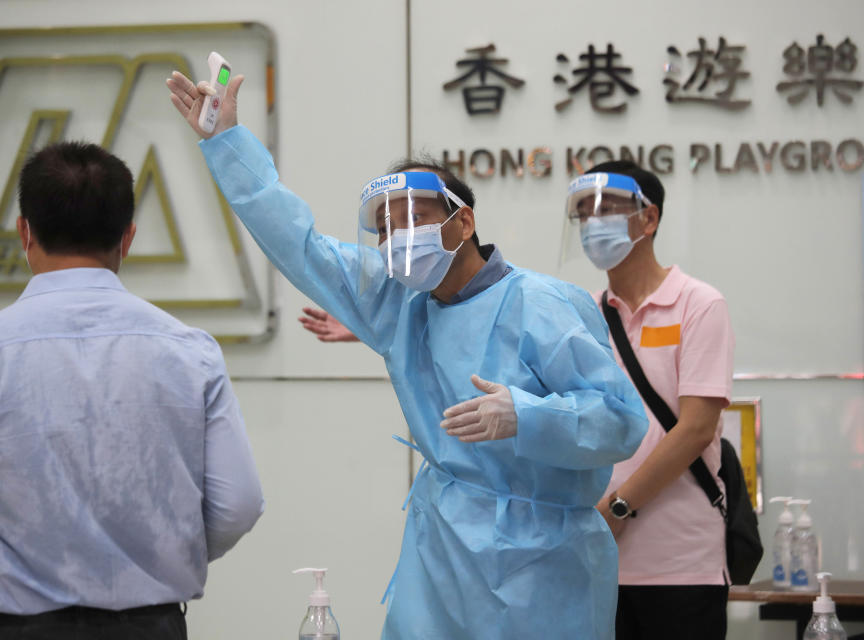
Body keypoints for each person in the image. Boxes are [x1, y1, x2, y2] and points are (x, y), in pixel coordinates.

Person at [166, 69, 647, 639]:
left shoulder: (543, 305)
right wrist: (227, 140)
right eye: (387, 227)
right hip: (440, 556)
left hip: (543, 569)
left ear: (463, 220)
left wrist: (527, 415)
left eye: (414, 218)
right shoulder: (400, 304)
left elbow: (621, 423)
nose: (399, 238)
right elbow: (300, 245)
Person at [0, 141, 264, 640]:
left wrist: (9, 553)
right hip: (152, 626)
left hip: (20, 628)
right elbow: (238, 504)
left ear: (23, 232)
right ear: (128, 236)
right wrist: (163, 549)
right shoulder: (191, 353)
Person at [569, 161, 734, 640]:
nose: (593, 222)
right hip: (596, 563)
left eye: (607, 209)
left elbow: (696, 428)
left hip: (679, 567)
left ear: (649, 218)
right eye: (584, 213)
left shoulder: (699, 304)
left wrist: (619, 508)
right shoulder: (584, 314)